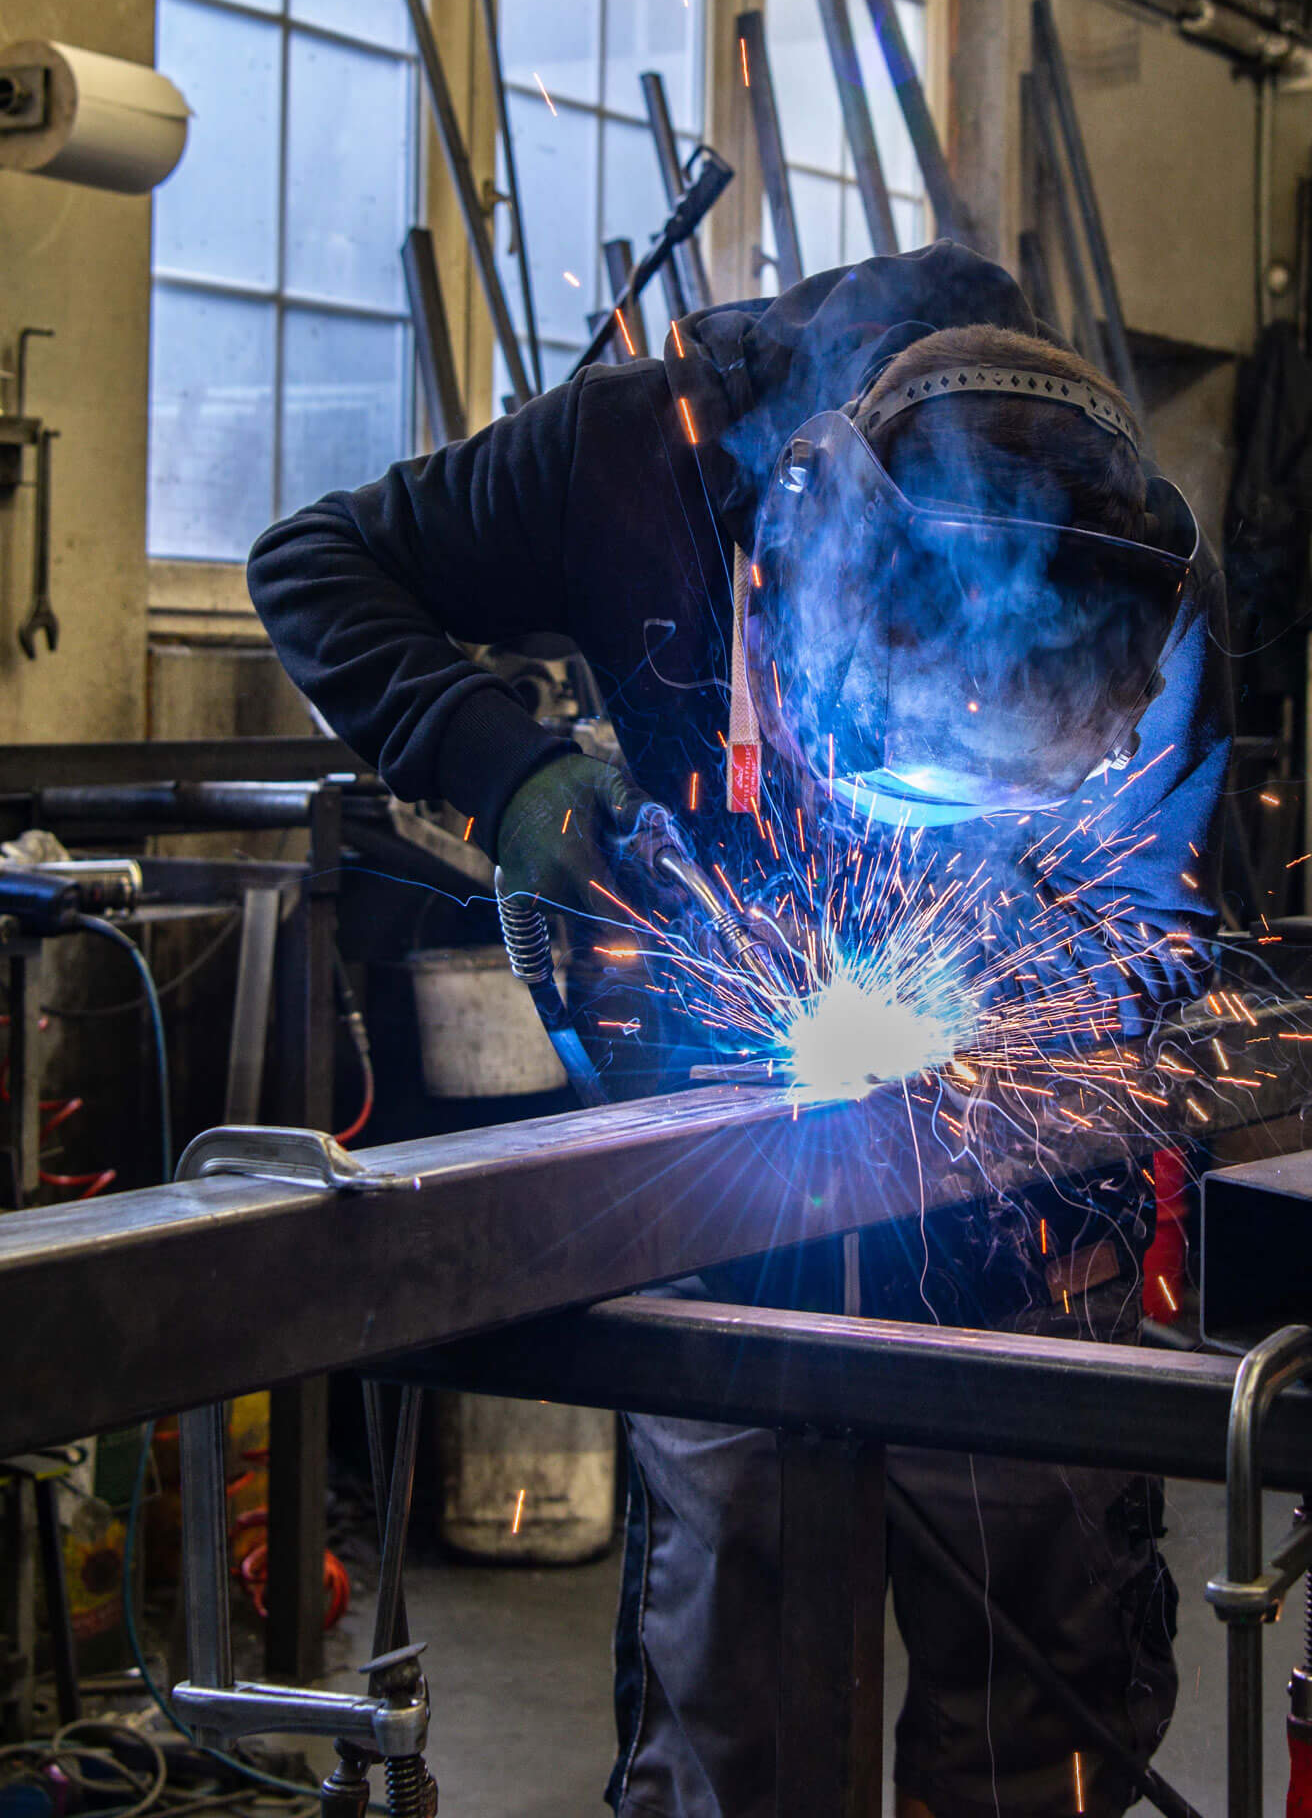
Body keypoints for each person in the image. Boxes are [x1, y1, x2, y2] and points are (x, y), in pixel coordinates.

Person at [249, 241, 1233, 1818]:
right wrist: (510, 774)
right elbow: (308, 562)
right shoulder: (640, 456)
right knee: (733, 1733)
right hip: (723, 1193)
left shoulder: (1124, 564)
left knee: (1036, 1737)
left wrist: (1057, 998)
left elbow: (1178, 929)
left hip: (1029, 1221)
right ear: (806, 550)